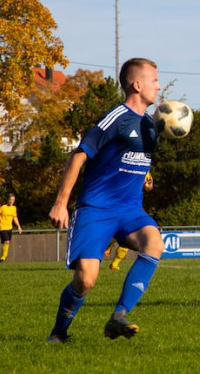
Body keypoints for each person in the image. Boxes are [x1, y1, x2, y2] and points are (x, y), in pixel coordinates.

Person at [47, 58, 164, 343]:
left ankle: (118, 316)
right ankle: (59, 333)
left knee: (155, 243)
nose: (159, 86)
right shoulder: (116, 118)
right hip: (96, 210)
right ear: (137, 85)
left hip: (130, 211)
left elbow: (135, 161)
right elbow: (78, 156)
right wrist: (61, 203)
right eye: (154, 80)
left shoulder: (150, 126)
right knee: (86, 279)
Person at [106, 173, 155, 270]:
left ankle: (114, 263)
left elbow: (149, 188)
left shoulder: (146, 171)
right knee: (124, 234)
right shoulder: (125, 166)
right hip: (121, 204)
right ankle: (108, 247)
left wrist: (148, 185)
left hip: (133, 205)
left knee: (127, 236)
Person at [0, 193, 22, 263]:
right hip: (2, 227)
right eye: (10, 199)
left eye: (13, 200)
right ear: (8, 200)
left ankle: (1, 258)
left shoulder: (14, 208)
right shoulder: (3, 207)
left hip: (9, 228)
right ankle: (3, 258)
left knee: (7, 243)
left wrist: (19, 226)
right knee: (7, 241)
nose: (11, 201)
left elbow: (14, 217)